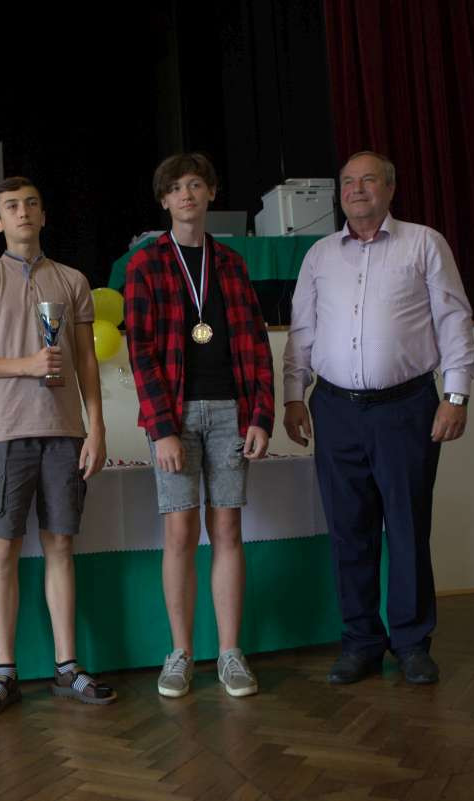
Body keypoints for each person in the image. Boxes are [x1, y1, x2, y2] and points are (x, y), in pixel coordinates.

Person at [282, 151, 474, 685]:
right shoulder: (320, 255)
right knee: (349, 531)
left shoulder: (424, 243)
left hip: (407, 408)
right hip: (334, 409)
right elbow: (302, 331)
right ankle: (361, 643)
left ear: (390, 188)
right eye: (347, 181)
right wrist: (293, 396)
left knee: (408, 527)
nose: (356, 189)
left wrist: (456, 395)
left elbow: (453, 319)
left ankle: (412, 643)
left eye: (368, 180)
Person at [0, 176, 113, 717]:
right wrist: (24, 365)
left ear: (43, 215)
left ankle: (67, 667)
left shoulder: (72, 280)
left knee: (61, 547)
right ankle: (4, 671)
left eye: (31, 204)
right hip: (5, 434)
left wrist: (97, 426)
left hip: (65, 432)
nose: (23, 212)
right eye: (11, 206)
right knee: (3, 551)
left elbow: (86, 360)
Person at [124, 153, 275, 699]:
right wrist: (162, 428)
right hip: (175, 415)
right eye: (175, 188)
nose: (186, 194)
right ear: (164, 200)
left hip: (231, 410)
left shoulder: (231, 263)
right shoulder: (145, 263)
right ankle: (181, 653)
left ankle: (230, 653)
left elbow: (256, 343)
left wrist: (261, 416)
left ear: (211, 193)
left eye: (195, 185)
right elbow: (140, 351)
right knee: (180, 533)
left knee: (228, 529)